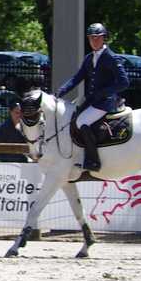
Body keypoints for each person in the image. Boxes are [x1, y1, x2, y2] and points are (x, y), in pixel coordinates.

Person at [54, 23, 129, 172]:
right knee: (72, 119)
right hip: (92, 101)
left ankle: (93, 161)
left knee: (82, 122)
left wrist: (105, 92)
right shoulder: (89, 58)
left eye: (97, 38)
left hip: (106, 102)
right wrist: (59, 92)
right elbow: (77, 78)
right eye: (91, 38)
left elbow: (124, 82)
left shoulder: (111, 58)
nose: (93, 41)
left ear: (104, 38)